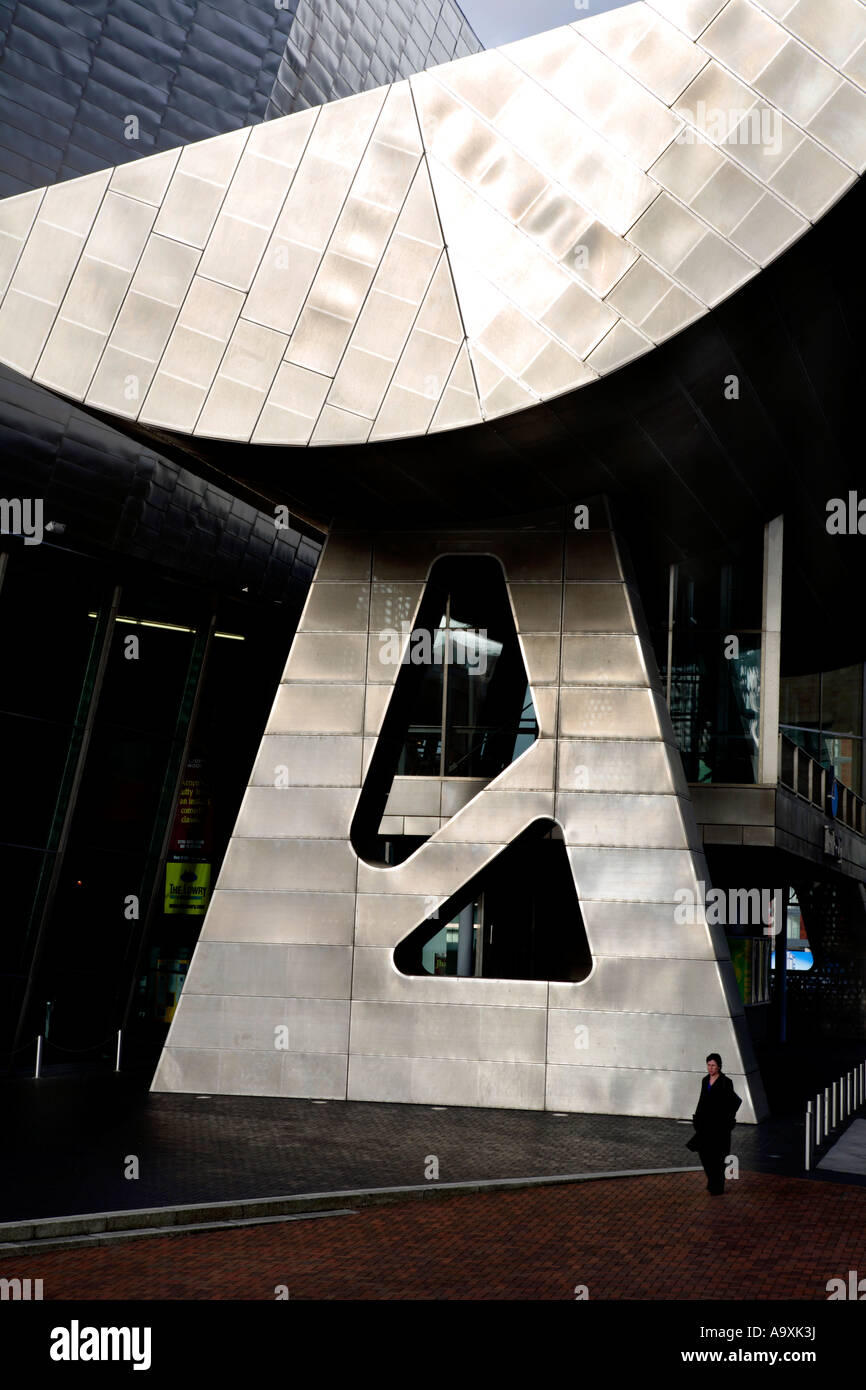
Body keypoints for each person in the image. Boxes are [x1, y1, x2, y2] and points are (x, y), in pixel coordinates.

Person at [690, 1053, 740, 1194]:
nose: (710, 1068)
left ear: (719, 1066)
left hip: (720, 1125)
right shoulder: (705, 1080)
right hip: (706, 1124)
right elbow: (702, 1100)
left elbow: (731, 1104)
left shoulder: (726, 1082)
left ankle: (717, 1185)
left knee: (719, 1155)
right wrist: (697, 1118)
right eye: (708, 1065)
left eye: (713, 1065)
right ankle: (713, 1180)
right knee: (704, 1152)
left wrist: (727, 1122)